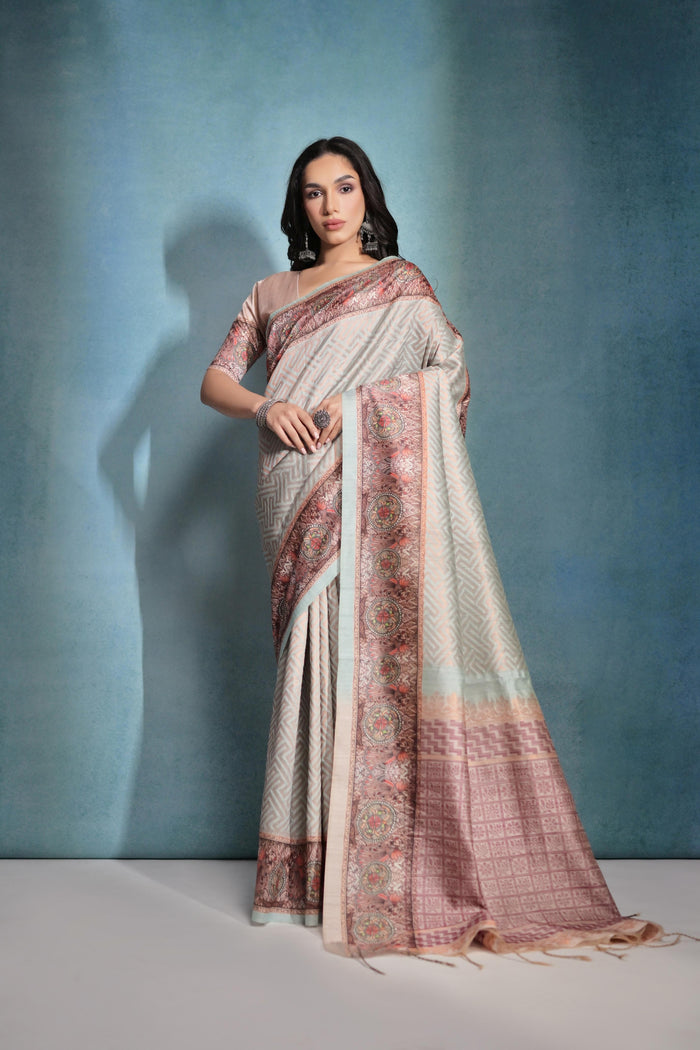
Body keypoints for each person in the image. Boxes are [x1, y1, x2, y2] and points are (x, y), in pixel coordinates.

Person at [201, 136, 663, 960]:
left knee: (367, 660)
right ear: (298, 206)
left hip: (363, 478)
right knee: (310, 661)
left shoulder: (401, 285)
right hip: (291, 487)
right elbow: (216, 380)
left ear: (368, 196)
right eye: (314, 192)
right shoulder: (272, 292)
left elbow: (447, 373)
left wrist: (353, 407)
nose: (331, 206)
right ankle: (306, 870)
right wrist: (267, 407)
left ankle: (374, 862)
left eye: (345, 187)